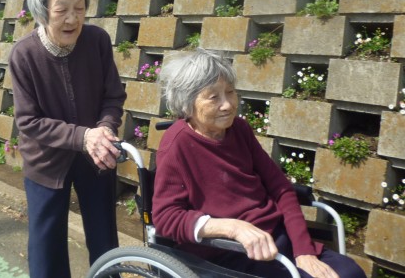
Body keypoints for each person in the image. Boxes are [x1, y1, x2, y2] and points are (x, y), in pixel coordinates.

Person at [152, 49, 365, 278]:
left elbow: (280, 188)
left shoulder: (240, 129)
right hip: (227, 253)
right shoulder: (177, 145)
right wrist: (232, 227)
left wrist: (304, 251)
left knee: (350, 273)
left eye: (230, 92)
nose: (227, 105)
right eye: (214, 97)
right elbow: (165, 217)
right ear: (187, 102)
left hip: (277, 238)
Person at [8, 0, 126, 278]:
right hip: (46, 162)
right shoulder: (24, 55)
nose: (73, 19)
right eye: (62, 10)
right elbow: (29, 121)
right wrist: (82, 136)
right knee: (46, 250)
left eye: (80, 8)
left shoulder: (97, 41)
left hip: (96, 156)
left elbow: (113, 97)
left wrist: (104, 128)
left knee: (105, 243)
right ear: (42, 10)